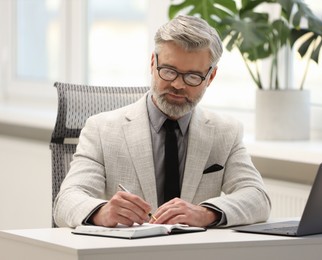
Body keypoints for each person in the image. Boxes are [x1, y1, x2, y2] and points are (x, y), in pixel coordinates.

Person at [53, 15, 271, 228]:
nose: (177, 84)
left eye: (193, 76)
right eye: (168, 71)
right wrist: (103, 212)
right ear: (152, 63)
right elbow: (66, 203)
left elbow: (258, 198)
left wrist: (204, 213)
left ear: (210, 77)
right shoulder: (101, 130)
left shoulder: (226, 132)